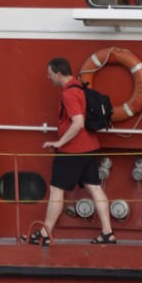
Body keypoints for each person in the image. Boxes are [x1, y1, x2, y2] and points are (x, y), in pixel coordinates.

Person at [30, 57, 116, 246]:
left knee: (56, 189)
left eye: (50, 74)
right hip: (90, 147)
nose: (49, 77)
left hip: (72, 151)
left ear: (59, 74)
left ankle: (45, 233)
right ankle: (108, 233)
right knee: (94, 187)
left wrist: (59, 142)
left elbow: (78, 123)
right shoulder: (80, 87)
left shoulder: (68, 94)